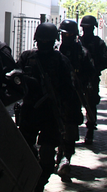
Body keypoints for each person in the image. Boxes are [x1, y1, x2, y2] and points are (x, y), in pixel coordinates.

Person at [16, 23, 83, 192]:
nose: (43, 44)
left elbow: (70, 90)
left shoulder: (61, 61)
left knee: (46, 156)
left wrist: (74, 115)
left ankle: (38, 186)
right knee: (23, 153)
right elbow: (15, 81)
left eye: (46, 41)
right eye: (41, 40)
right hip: (29, 113)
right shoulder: (27, 57)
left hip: (51, 115)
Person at [57, 19, 96, 175]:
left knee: (71, 127)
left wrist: (81, 83)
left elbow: (91, 71)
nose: (65, 36)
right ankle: (57, 155)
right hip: (57, 95)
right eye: (63, 34)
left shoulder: (82, 53)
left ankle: (66, 157)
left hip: (73, 96)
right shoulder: (56, 51)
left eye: (68, 34)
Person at [79, 15, 107, 144]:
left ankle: (90, 130)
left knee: (91, 105)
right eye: (85, 28)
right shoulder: (77, 43)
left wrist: (94, 69)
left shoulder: (98, 43)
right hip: (78, 78)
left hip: (91, 78)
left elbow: (106, 61)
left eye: (89, 28)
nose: (87, 30)